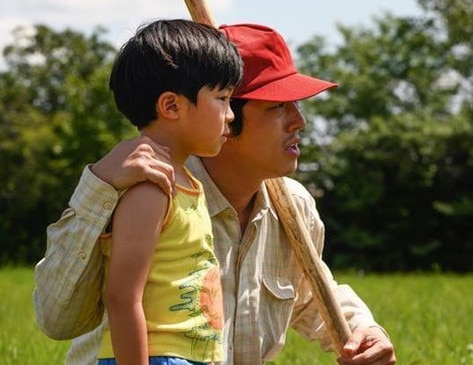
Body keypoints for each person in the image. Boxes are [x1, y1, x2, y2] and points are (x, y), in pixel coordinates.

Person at [33, 23, 396, 365]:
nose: (299, 121)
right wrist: (97, 187)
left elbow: (310, 294)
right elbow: (57, 320)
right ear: (228, 115)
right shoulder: (150, 187)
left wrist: (362, 329)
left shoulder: (295, 206)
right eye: (276, 107)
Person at [94, 19, 242, 365]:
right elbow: (121, 297)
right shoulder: (150, 188)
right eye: (222, 99)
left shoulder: (189, 184)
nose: (231, 115)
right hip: (157, 356)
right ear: (172, 106)